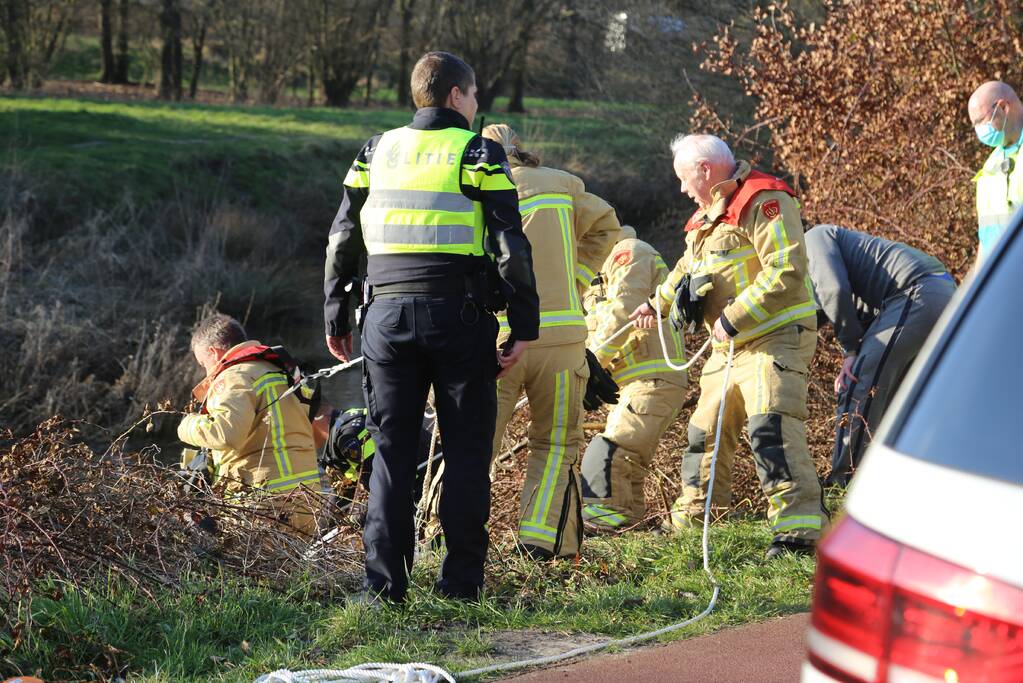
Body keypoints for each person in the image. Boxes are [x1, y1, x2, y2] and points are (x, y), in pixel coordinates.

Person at [323, 52, 540, 602]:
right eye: (473, 95)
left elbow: (342, 237)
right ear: (454, 97)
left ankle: (382, 589)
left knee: (390, 449)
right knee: (466, 452)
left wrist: (335, 312)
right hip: (459, 316)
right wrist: (522, 323)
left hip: (386, 318)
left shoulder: (375, 150)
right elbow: (511, 246)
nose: (475, 103)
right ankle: (461, 585)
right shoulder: (478, 152)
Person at [631, 134, 826, 559]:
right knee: (704, 434)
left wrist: (730, 319)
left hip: (774, 340)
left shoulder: (765, 200)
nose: (682, 190)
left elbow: (785, 270)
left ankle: (800, 531)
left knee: (771, 429)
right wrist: (657, 304)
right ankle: (697, 522)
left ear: (705, 170)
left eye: (684, 179)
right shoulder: (706, 217)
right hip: (727, 349)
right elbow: (688, 267)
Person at [481, 123, 620, 559]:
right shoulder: (561, 184)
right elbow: (606, 228)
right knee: (555, 444)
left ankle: (450, 539)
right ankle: (541, 544)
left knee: (474, 443)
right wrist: (573, 284)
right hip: (561, 340)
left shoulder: (472, 188)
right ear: (521, 150)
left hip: (495, 342)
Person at [805, 224, 955, 487]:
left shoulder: (813, 238)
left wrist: (850, 350)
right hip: (939, 292)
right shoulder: (838, 247)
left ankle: (843, 482)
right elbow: (840, 306)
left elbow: (834, 291)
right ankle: (902, 481)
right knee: (893, 401)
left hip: (916, 293)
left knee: (858, 382)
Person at [178, 313, 326, 537]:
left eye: (203, 364)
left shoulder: (234, 375)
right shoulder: (280, 370)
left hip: (264, 504)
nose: (206, 371)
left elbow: (225, 434)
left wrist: (187, 425)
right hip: (308, 501)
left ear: (213, 353)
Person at [579, 224, 687, 531]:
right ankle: (629, 534)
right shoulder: (592, 274)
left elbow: (625, 308)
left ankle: (606, 532)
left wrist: (591, 366)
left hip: (652, 380)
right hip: (632, 385)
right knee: (628, 468)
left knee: (608, 455)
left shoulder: (630, 253)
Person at [967, 81, 1023, 260]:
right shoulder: (988, 171)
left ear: (1004, 107)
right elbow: (985, 244)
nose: (979, 131)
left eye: (980, 121)